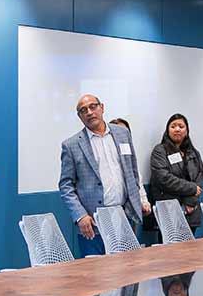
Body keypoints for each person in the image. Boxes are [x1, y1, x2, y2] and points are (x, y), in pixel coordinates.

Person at [59, 95, 146, 257]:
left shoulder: (123, 133)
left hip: (125, 217)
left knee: (129, 273)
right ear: (80, 116)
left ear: (102, 107)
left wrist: (134, 204)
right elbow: (66, 186)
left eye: (93, 107)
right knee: (97, 278)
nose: (90, 112)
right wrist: (80, 216)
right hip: (93, 223)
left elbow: (132, 171)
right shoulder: (71, 145)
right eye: (83, 110)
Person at [149, 113, 203, 233]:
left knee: (191, 250)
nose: (177, 129)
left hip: (191, 210)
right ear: (168, 130)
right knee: (170, 251)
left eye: (181, 126)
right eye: (173, 126)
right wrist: (191, 188)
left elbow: (199, 177)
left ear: (187, 130)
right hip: (169, 210)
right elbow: (164, 178)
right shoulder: (160, 151)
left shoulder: (194, 153)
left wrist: (190, 202)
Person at [109, 118, 152, 216]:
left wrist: (144, 202)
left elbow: (137, 181)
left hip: (132, 211)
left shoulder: (129, 154)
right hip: (112, 210)